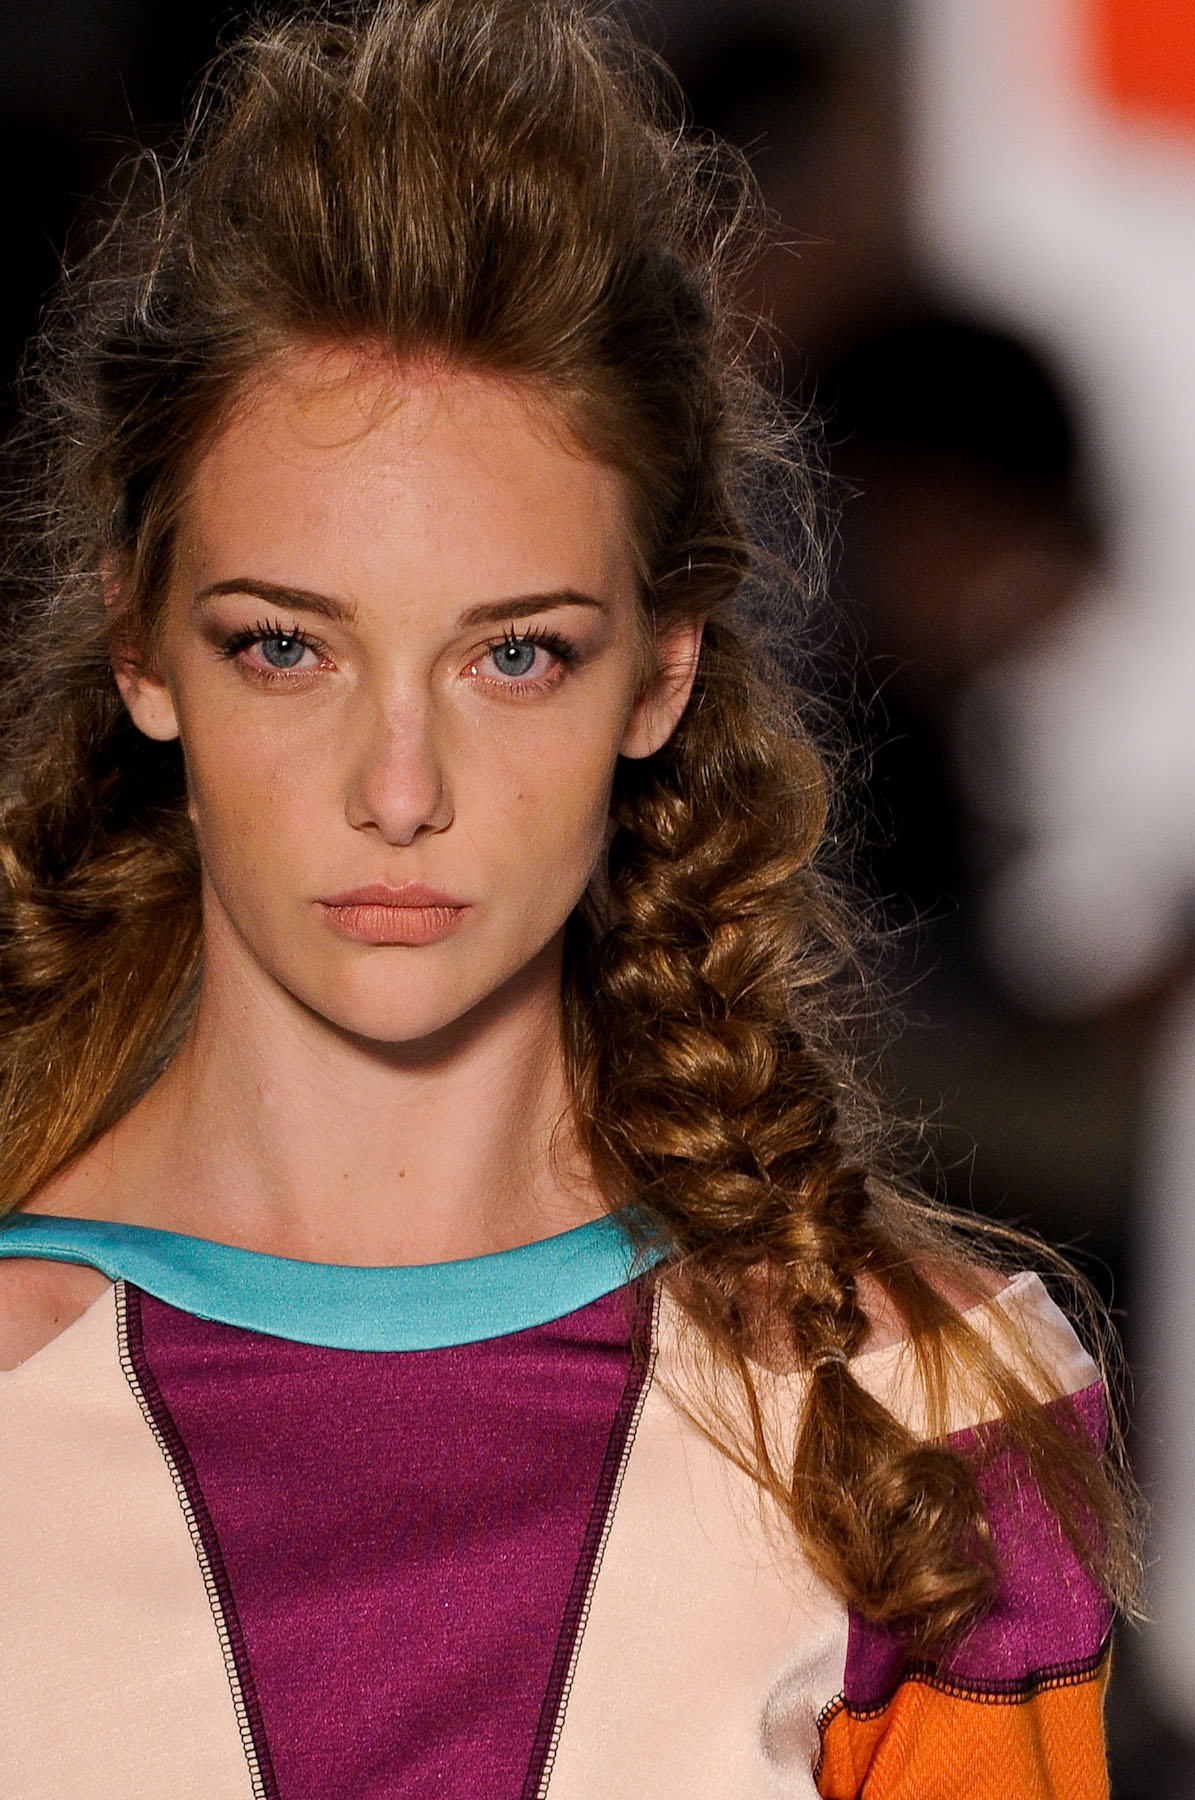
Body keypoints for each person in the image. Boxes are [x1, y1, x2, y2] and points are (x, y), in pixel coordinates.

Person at [0, 3, 1137, 1796]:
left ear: (662, 675)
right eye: (286, 646)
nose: (399, 791)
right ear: (142, 650)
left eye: (513, 654)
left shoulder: (908, 1426)